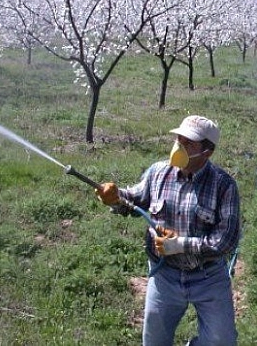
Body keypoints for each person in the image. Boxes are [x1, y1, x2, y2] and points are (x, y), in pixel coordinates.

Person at [95, 115, 240, 346]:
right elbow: (135, 201)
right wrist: (115, 197)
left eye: (189, 143)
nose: (179, 146)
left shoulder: (224, 185)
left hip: (208, 277)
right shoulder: (158, 172)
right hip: (165, 275)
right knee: (154, 340)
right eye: (178, 139)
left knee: (221, 341)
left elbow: (226, 241)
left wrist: (180, 244)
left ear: (207, 152)